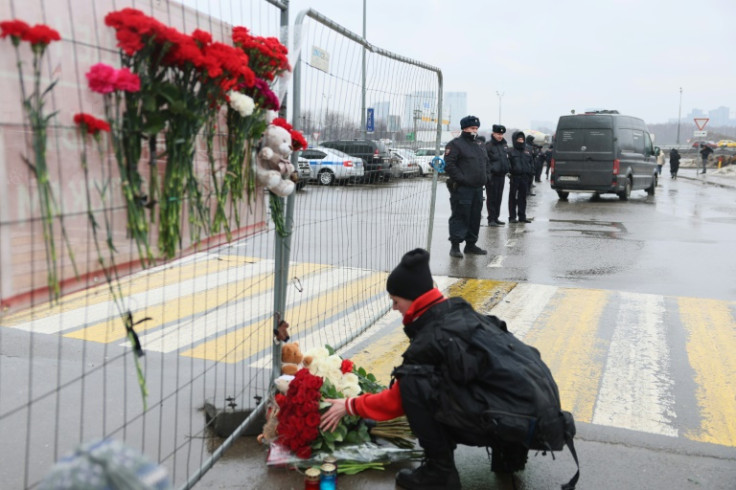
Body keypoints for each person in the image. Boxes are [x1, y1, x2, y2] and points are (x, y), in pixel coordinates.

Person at [320, 249, 528, 490]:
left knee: (414, 386)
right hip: (525, 414)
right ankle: (510, 450)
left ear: (411, 298)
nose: (394, 308)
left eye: (395, 301)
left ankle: (440, 472)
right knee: (443, 382)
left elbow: (395, 402)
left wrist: (349, 405)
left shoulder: (432, 338)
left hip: (512, 421)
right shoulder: (456, 314)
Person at [444, 115, 488, 258]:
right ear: (464, 128)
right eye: (471, 128)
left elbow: (485, 163)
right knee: (460, 216)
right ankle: (455, 246)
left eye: (476, 128)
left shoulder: (479, 145)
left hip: (477, 188)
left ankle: (471, 245)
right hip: (463, 188)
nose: (474, 131)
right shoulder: (455, 144)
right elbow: (450, 165)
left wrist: (486, 177)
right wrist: (462, 179)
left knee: (475, 217)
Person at [484, 124, 510, 227]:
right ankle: (491, 219)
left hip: (501, 176)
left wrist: (508, 168)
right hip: (492, 176)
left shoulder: (504, 145)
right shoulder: (489, 145)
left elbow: (506, 159)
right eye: (498, 134)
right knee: (492, 198)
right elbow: (486, 161)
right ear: (493, 133)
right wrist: (489, 173)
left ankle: (496, 217)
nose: (500, 136)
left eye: (502, 134)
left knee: (499, 197)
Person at [507, 131, 534, 223]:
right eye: (519, 139)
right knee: (513, 198)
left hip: (525, 177)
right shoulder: (510, 151)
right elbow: (508, 164)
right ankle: (512, 217)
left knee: (523, 198)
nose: (521, 141)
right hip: (515, 177)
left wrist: (531, 172)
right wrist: (510, 172)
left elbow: (531, 162)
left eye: (522, 139)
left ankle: (522, 216)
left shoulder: (527, 151)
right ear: (515, 140)